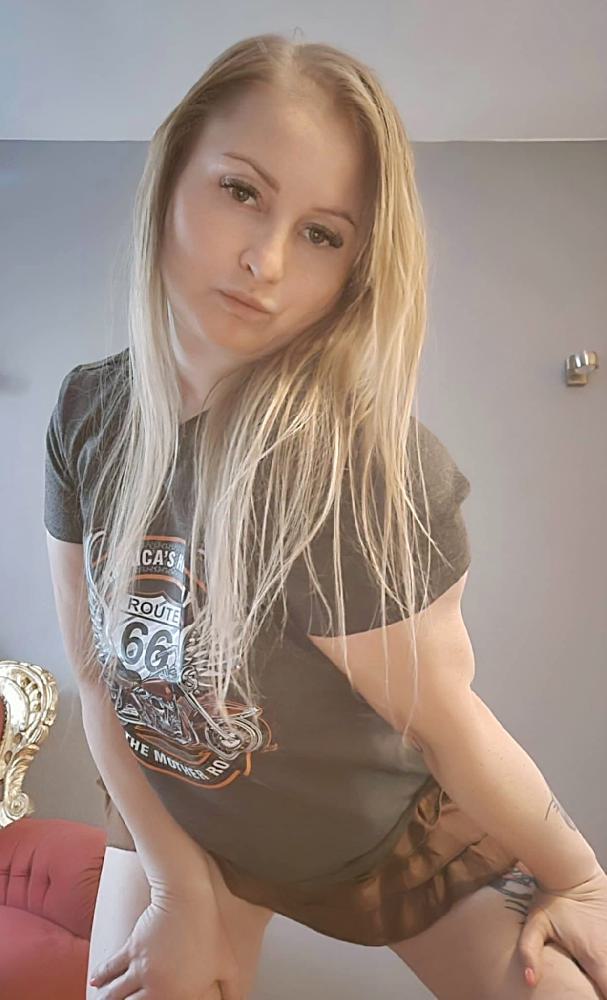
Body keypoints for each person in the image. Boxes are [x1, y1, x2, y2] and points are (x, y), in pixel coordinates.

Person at [44, 32, 607, 1000]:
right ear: (172, 176)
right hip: (181, 823)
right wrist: (177, 888)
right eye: (240, 190)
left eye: (322, 233)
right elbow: (99, 677)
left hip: (375, 835)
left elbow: (449, 726)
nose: (263, 260)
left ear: (356, 267)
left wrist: (583, 881)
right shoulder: (88, 414)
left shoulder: (364, 473)